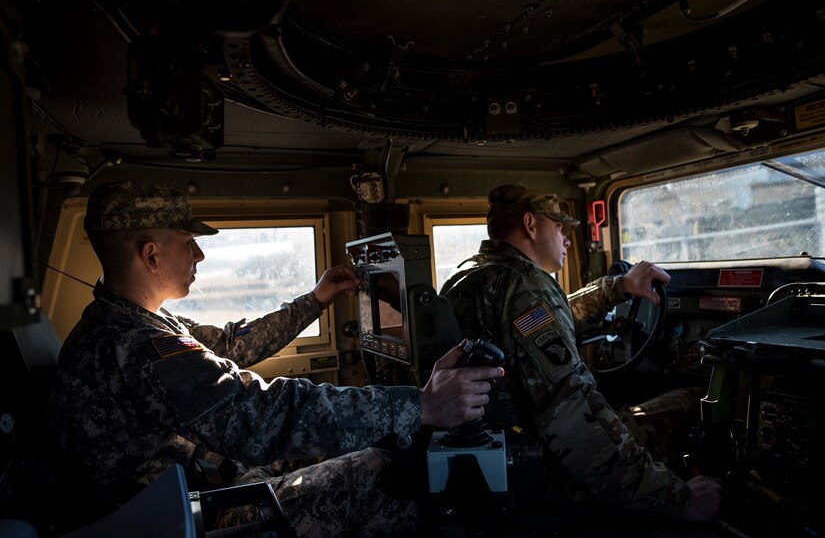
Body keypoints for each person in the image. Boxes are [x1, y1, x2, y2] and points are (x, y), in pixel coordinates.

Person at [49, 181, 503, 537]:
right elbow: (259, 416)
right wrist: (419, 406)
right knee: (385, 475)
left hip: (196, 488)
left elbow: (231, 346)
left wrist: (316, 299)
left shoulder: (140, 324)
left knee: (358, 445)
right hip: (184, 518)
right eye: (188, 241)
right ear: (151, 254)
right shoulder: (136, 345)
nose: (200, 253)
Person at [440, 184, 723, 523]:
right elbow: (570, 409)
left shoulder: (468, 277)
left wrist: (618, 288)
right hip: (543, 469)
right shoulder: (526, 284)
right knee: (691, 403)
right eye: (559, 228)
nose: (567, 240)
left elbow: (539, 327)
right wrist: (675, 497)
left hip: (499, 455)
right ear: (530, 225)